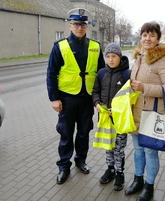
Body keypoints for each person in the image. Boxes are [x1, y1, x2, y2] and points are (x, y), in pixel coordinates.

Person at [46, 8, 105, 185]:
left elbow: (102, 73)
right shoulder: (60, 46)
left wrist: (100, 99)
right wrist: (54, 98)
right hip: (67, 98)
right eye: (76, 24)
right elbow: (51, 73)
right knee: (66, 133)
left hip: (87, 98)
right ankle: (64, 166)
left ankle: (81, 160)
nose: (80, 27)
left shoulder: (95, 46)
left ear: (87, 26)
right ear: (70, 25)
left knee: (84, 132)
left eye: (83, 24)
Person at [125, 21, 165, 201]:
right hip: (136, 111)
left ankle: (149, 186)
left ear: (158, 39)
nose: (148, 38)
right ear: (141, 37)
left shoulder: (164, 59)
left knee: (149, 151)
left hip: (152, 113)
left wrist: (144, 87)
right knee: (138, 150)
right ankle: (138, 180)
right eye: (145, 35)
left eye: (152, 35)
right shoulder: (139, 56)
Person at [92, 43, 130, 191]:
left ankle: (120, 173)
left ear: (119, 57)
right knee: (108, 146)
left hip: (119, 119)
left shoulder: (127, 74)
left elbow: (130, 97)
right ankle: (111, 169)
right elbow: (95, 92)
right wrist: (97, 104)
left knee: (119, 148)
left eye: (114, 56)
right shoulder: (101, 73)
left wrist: (118, 109)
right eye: (108, 56)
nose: (111, 59)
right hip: (105, 118)